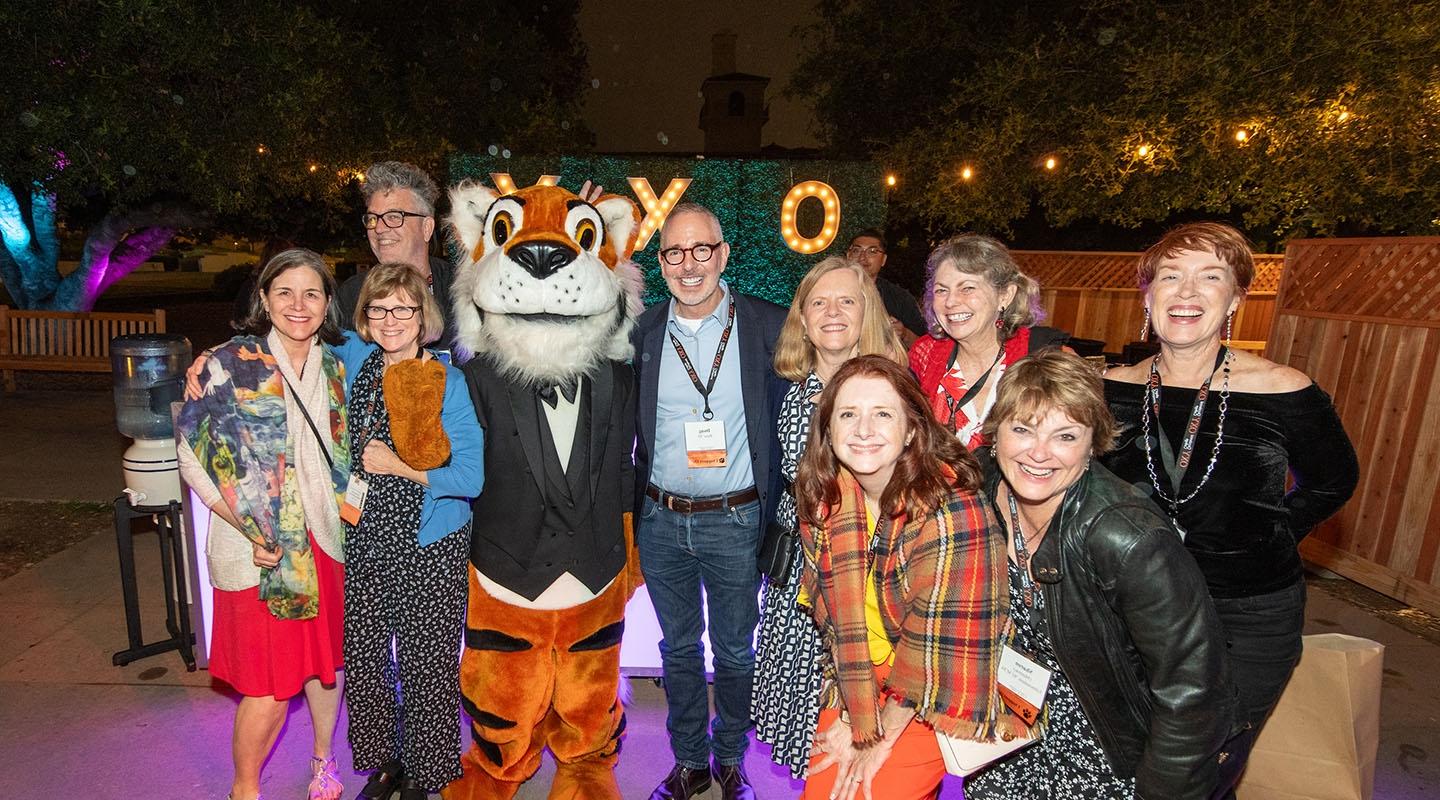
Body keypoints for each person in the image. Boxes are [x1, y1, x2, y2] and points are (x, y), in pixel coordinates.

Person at [1101, 222, 1359, 795]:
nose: (1186, 291)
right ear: (1148, 295)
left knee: (1202, 767)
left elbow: (1333, 481)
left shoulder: (1284, 390)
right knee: (1137, 762)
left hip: (1247, 618)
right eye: (1171, 276)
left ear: (1236, 298)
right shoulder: (1112, 390)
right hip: (1136, 613)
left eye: (1209, 277)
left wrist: (1266, 538)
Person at [966, 350, 1235, 799]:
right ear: (995, 436)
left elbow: (1195, 692)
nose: (1038, 452)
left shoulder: (1128, 538)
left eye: (1065, 436)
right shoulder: (981, 488)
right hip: (1010, 737)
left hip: (1107, 747)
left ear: (1093, 444)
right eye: (1022, 429)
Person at [175, 249, 351, 800]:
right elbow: (194, 458)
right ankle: (244, 788)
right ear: (264, 300)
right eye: (285, 293)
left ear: (328, 303)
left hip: (325, 541)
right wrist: (250, 527)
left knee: (326, 668)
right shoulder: (228, 362)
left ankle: (323, 762)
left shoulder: (337, 369)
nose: (298, 306)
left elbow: (343, 457)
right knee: (269, 686)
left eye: (312, 294)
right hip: (262, 553)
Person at [795, 355, 1009, 800]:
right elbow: (836, 624)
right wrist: (855, 716)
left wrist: (878, 735)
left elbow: (933, 648)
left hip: (933, 684)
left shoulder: (952, 510)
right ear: (828, 430)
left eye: (883, 414)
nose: (864, 429)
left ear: (912, 429)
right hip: (858, 679)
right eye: (848, 414)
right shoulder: (826, 501)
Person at [632, 202, 788, 800]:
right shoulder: (643, 331)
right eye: (674, 252)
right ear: (662, 261)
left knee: (734, 653)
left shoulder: (768, 326)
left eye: (702, 250)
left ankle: (730, 761)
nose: (689, 264)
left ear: (723, 255)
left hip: (737, 520)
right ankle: (689, 762)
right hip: (662, 520)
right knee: (676, 650)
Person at [332, 263, 485, 800]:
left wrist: (403, 469)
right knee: (368, 658)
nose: (391, 319)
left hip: (430, 541)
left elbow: (471, 476)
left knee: (427, 664)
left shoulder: (448, 379)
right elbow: (287, 342)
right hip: (366, 537)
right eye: (379, 308)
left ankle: (425, 771)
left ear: (423, 318)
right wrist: (214, 357)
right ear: (365, 320)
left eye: (404, 308)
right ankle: (386, 764)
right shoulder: (354, 363)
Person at [751, 257, 907, 779]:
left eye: (847, 300)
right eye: (819, 301)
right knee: (799, 710)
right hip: (794, 569)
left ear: (868, 313)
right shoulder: (784, 389)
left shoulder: (894, 391)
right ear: (802, 316)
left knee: (851, 707)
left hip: (860, 574)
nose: (833, 312)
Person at [909, 233, 1069, 450]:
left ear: (1005, 295)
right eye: (941, 290)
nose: (951, 301)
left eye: (967, 288)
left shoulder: (1047, 356)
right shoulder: (924, 355)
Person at [337, 161, 459, 356]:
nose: (378, 228)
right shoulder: (351, 296)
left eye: (394, 216)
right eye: (372, 218)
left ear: (426, 228)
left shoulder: (463, 291)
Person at [846, 229, 926, 343]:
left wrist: (904, 333)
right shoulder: (830, 290)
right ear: (848, 255)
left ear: (883, 260)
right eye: (856, 250)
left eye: (872, 251)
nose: (862, 257)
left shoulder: (900, 298)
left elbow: (925, 346)